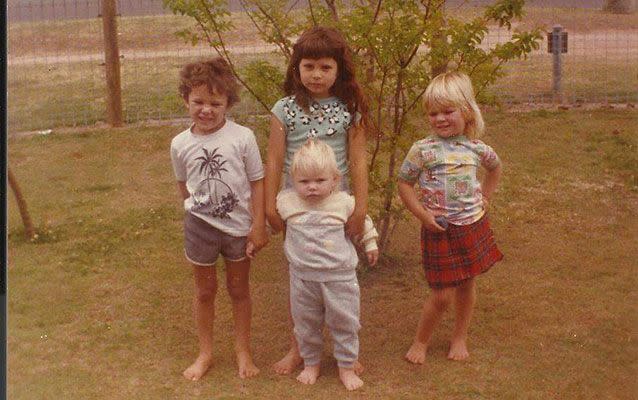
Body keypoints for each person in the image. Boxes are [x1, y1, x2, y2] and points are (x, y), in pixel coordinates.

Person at [264, 26, 370, 376]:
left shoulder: (348, 109)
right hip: (296, 206)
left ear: (339, 70)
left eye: (325, 67)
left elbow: (356, 161)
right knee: (301, 282)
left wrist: (361, 209)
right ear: (296, 68)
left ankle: (346, 351)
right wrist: (269, 206)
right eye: (308, 66)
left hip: (335, 206)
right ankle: (300, 348)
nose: (316, 74)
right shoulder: (284, 110)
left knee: (340, 284)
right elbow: (275, 161)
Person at [170, 58, 267, 380]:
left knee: (239, 290)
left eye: (215, 103)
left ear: (228, 103)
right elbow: (184, 186)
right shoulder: (180, 144)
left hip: (239, 228)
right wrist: (198, 212)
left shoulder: (243, 137)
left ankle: (243, 352)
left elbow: (256, 181)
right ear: (186, 100)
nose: (206, 110)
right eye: (198, 102)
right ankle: (206, 353)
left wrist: (257, 225)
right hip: (200, 229)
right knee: (204, 291)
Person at [397, 71, 503, 364]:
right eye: (433, 113)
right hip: (438, 230)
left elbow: (495, 168)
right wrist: (422, 214)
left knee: (467, 284)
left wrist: (486, 197)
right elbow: (404, 184)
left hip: (471, 226)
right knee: (442, 294)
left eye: (448, 111)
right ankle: (421, 341)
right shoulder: (422, 150)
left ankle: (459, 337)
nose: (440, 119)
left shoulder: (475, 148)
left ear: (466, 112)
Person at [277, 139, 378, 390]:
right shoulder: (287, 201)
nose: (312, 187)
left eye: (320, 181)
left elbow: (363, 222)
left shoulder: (343, 202)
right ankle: (311, 363)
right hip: (303, 278)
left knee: (345, 322)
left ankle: (346, 365)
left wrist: (371, 243)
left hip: (339, 277)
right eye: (304, 182)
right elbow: (270, 225)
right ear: (293, 180)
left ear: (335, 179)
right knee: (305, 324)